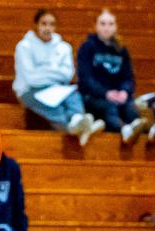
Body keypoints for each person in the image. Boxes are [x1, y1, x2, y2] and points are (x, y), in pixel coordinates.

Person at [14, 9, 105, 147]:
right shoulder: (24, 47)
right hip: (29, 91)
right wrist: (54, 72)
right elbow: (31, 79)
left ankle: (77, 120)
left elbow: (67, 75)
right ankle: (79, 129)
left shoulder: (63, 47)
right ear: (36, 25)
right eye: (44, 24)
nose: (47, 28)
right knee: (54, 107)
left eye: (51, 24)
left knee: (74, 93)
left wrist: (42, 71)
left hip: (57, 89)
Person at [77, 9, 150, 145]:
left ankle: (145, 134)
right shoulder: (87, 47)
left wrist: (124, 91)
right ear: (96, 26)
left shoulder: (121, 50)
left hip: (118, 95)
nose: (107, 28)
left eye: (110, 24)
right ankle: (124, 130)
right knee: (110, 108)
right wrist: (106, 93)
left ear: (116, 27)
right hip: (94, 96)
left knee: (131, 109)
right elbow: (86, 78)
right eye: (103, 24)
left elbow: (128, 77)